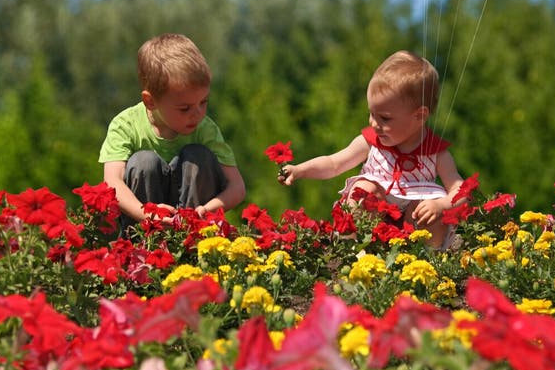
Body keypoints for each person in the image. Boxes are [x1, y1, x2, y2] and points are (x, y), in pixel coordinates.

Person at [279, 50, 464, 248]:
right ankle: (356, 250)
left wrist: (441, 205)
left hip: (413, 227)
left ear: (419, 115)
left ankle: (430, 259)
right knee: (364, 191)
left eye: (384, 118)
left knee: (429, 211)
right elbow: (333, 163)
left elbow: (460, 189)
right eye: (371, 113)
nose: (373, 123)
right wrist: (299, 170)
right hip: (374, 227)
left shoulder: (436, 152)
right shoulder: (372, 142)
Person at [99, 33, 245, 225]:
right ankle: (143, 247)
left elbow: (237, 187)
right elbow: (112, 183)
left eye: (204, 102)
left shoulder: (205, 128)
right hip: (144, 230)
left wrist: (207, 209)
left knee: (198, 156)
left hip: (196, 226)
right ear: (150, 101)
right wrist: (147, 215)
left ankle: (190, 240)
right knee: (144, 162)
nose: (198, 113)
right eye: (185, 108)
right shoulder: (125, 125)